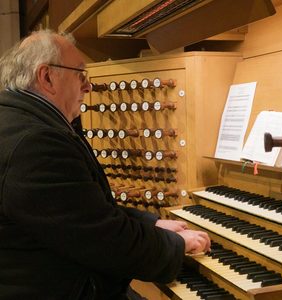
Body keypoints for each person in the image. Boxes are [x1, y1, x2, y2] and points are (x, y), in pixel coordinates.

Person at [0, 29, 211, 300]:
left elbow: (80, 210)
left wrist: (152, 224)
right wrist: (174, 245)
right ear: (47, 77)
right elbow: (104, 240)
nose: (88, 86)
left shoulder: (20, 122)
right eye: (80, 74)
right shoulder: (35, 143)